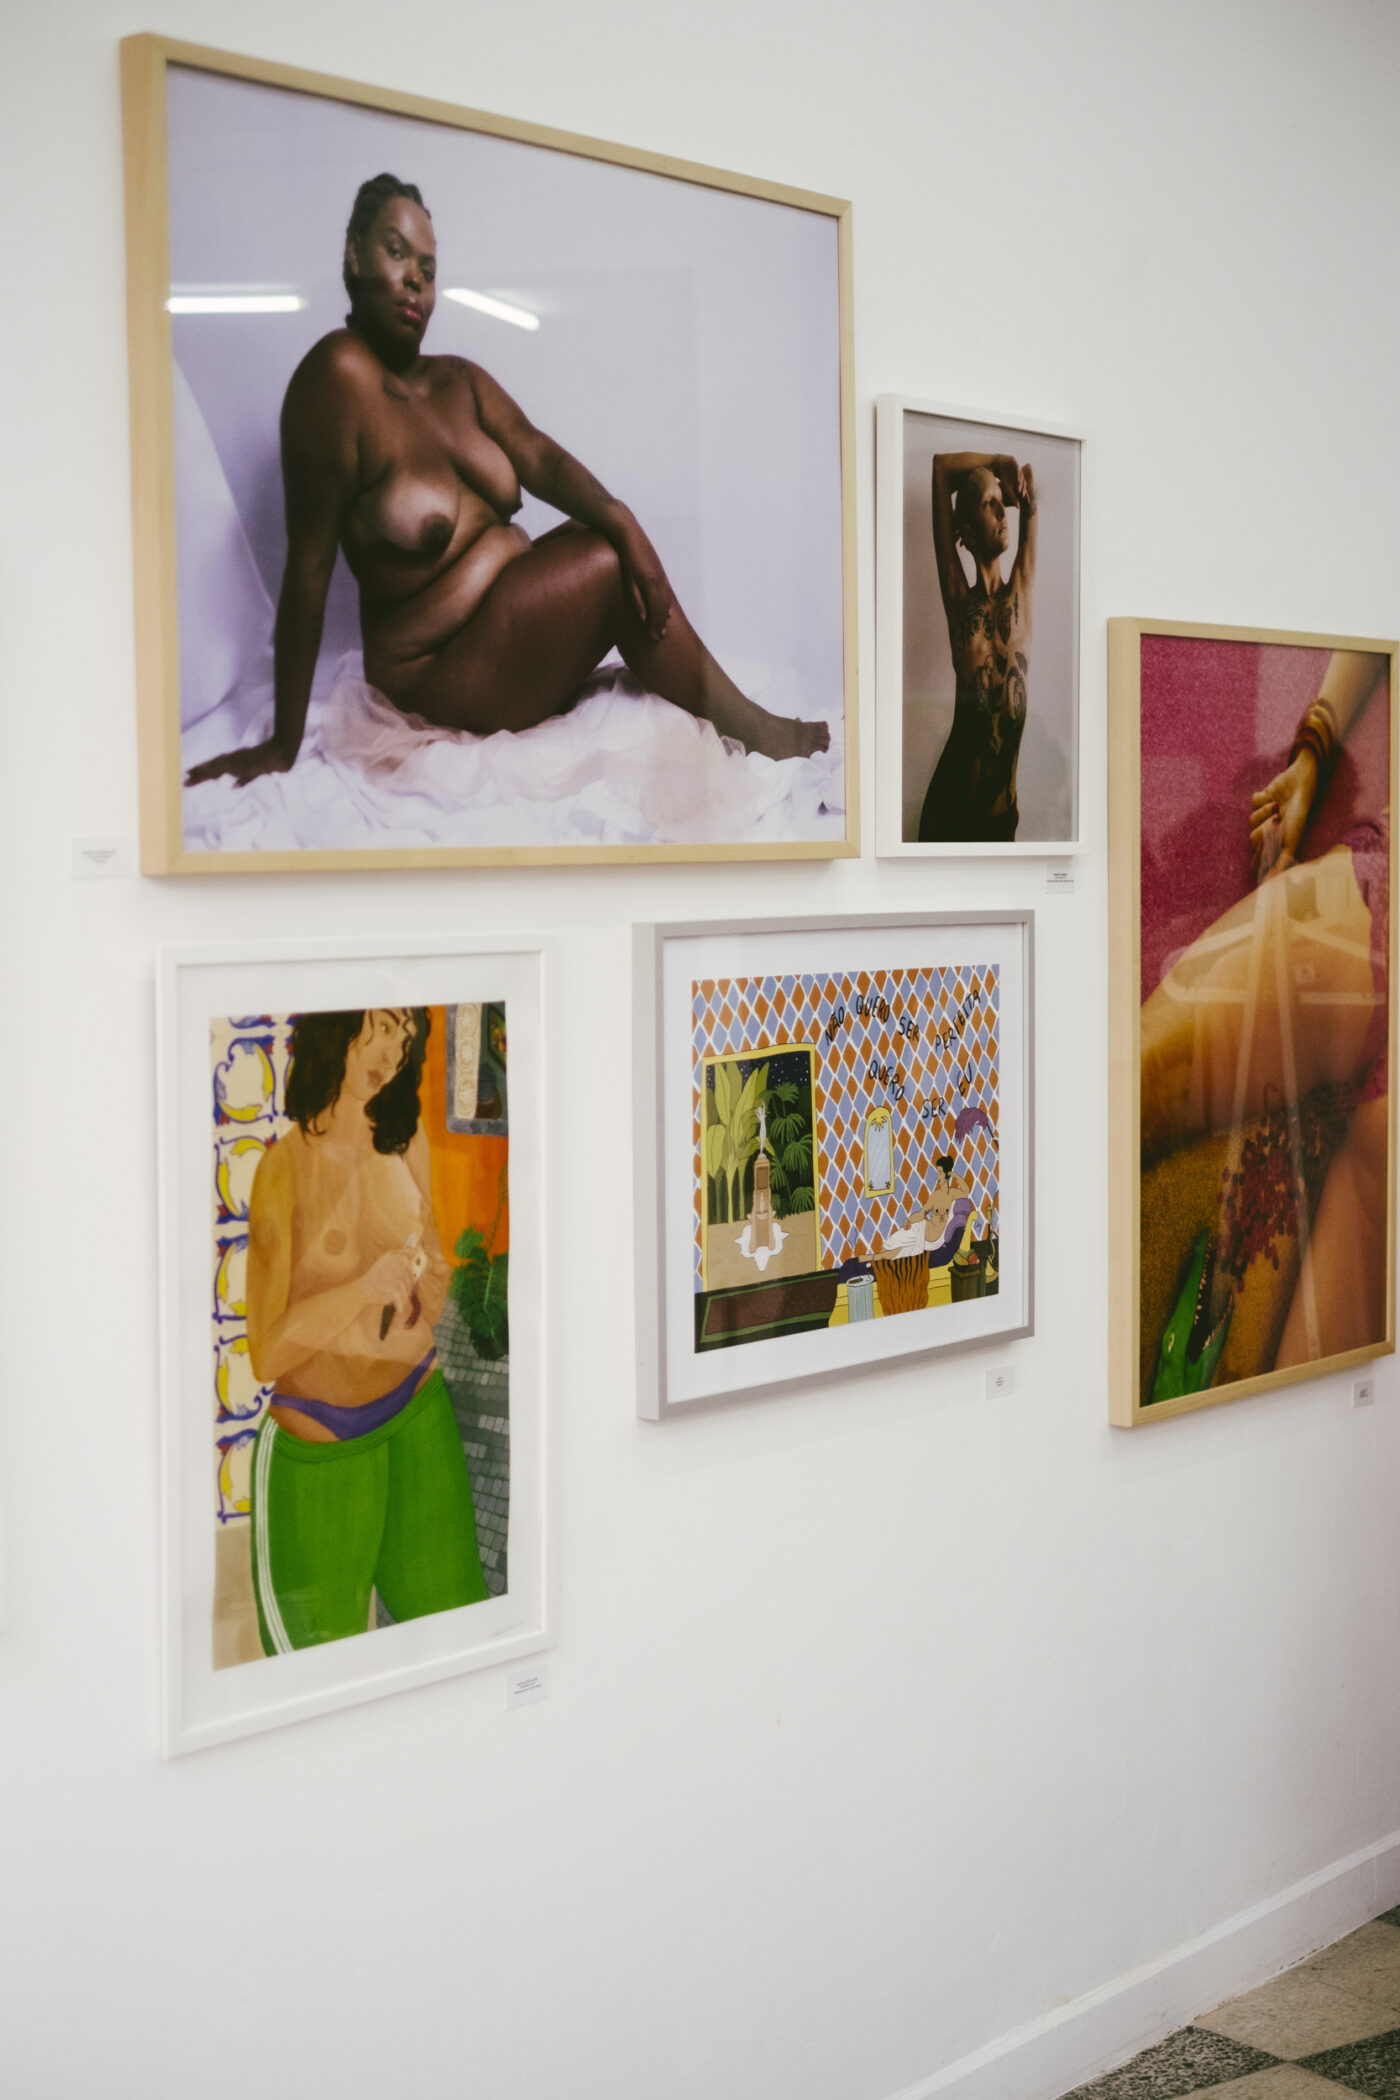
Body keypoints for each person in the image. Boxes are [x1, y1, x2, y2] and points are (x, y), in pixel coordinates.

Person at [187, 174, 829, 793]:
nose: (415, 278)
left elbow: (540, 457)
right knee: (606, 566)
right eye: (396, 251)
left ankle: (739, 714)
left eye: (429, 268)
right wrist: (283, 744)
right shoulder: (338, 377)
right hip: (434, 673)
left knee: (602, 535)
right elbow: (308, 569)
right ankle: (757, 730)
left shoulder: (458, 380)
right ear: (354, 256)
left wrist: (623, 518)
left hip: (504, 632)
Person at [1139, 650, 1388, 1384]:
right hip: (1367, 924)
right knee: (1303, 1408)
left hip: (1368, 919)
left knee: (1104, 1119)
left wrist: (1313, 751)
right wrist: (1313, 753)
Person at [244, 1006, 488, 1653]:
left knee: (463, 1640)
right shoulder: (281, 1171)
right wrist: (361, 1291)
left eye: (405, 1039)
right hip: (320, 1446)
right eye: (380, 1028)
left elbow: (433, 1283)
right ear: (338, 1030)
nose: (391, 1053)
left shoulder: (406, 1141)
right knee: (316, 1670)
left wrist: (432, 1278)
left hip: (418, 1411)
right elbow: (265, 1354)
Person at [917, 450, 1037, 843]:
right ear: (966, 534)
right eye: (989, 504)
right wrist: (997, 460)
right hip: (949, 809)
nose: (1003, 513)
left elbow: (1031, 483)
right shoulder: (959, 600)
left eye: (1003, 503)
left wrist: (1011, 482)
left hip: (1000, 817)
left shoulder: (1021, 588)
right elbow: (940, 469)